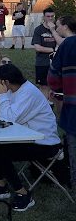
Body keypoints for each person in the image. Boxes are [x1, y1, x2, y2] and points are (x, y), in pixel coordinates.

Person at [0, 64, 61, 212]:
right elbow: (8, 112)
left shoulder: (28, 93)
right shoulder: (15, 89)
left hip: (44, 143)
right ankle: (0, 185)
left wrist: (2, 96)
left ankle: (23, 193)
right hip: (25, 137)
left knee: (0, 152)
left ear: (5, 82)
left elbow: (9, 118)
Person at [48, 15, 76, 192]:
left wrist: (58, 89)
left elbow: (53, 74)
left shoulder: (67, 45)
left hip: (73, 104)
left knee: (73, 142)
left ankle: (74, 181)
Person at [31, 7, 57, 100]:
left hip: (56, 63)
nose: (50, 18)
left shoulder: (57, 29)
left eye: (52, 16)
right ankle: (44, 106)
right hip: (42, 62)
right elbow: (37, 47)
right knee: (43, 86)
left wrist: (53, 30)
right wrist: (53, 49)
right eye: (48, 16)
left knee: (55, 86)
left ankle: (51, 104)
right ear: (44, 17)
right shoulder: (39, 29)